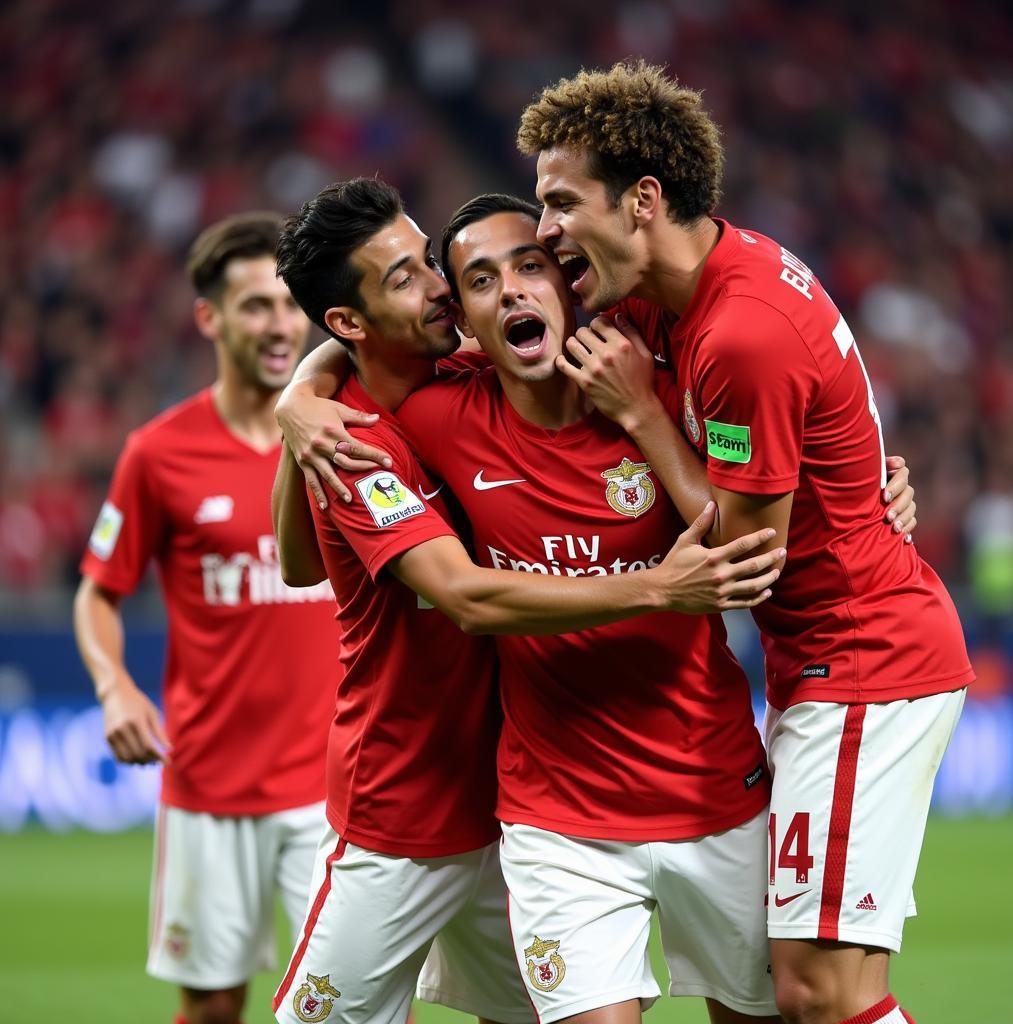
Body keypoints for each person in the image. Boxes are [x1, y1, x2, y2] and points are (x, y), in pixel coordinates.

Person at [272, 183, 915, 1024]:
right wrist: (302, 399)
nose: (479, 290)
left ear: (565, 281)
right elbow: (340, 561)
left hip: (707, 786)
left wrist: (868, 492)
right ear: (461, 318)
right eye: (460, 280)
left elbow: (776, 453)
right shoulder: (404, 421)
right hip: (519, 812)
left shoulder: (654, 375)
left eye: (529, 265)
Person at [516, 60, 973, 1024]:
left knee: (817, 990)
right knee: (804, 989)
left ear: (642, 199)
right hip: (825, 658)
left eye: (561, 201)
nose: (545, 229)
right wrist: (307, 391)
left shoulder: (740, 334)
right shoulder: (679, 290)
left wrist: (643, 415)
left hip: (866, 659)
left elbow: (741, 561)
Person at [73, 213, 340, 1024]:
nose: (279, 324)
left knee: (350, 1003)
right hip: (210, 788)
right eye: (255, 305)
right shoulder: (158, 453)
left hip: (337, 789)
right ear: (210, 318)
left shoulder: (346, 431)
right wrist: (115, 686)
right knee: (215, 1008)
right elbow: (97, 591)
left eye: (289, 304)